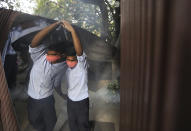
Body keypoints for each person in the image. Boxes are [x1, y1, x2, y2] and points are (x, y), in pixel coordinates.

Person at [27, 21, 67, 131]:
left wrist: (61, 94)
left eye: (53, 55)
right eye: (48, 53)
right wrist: (55, 24)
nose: (48, 56)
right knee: (34, 121)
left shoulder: (63, 65)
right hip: (32, 99)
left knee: (51, 123)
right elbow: (35, 41)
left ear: (61, 55)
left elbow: (57, 82)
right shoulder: (39, 56)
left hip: (47, 100)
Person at [61, 20, 90, 131]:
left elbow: (79, 52)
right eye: (67, 60)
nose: (69, 62)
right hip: (70, 100)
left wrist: (72, 30)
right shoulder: (68, 67)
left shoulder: (81, 65)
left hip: (82, 101)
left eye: (72, 60)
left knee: (83, 126)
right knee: (72, 124)